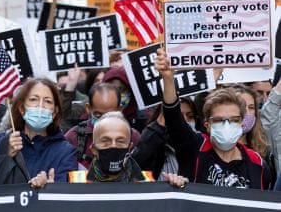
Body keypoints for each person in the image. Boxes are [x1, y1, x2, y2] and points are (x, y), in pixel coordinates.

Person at [155, 48, 271, 189]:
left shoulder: (257, 163)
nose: (227, 125)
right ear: (207, 124)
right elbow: (173, 116)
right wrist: (168, 79)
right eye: (219, 120)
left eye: (234, 120)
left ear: (241, 123)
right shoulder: (194, 147)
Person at [0, 78, 77, 188]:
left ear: (54, 112)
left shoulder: (65, 151)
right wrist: (4, 155)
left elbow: (68, 195)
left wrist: (50, 188)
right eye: (33, 99)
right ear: (22, 108)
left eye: (47, 101)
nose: (40, 106)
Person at [69, 112, 187, 187]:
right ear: (94, 149)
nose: (113, 146)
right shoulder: (76, 185)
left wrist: (175, 188)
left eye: (120, 141)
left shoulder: (147, 183)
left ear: (130, 148)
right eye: (106, 141)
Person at [65, 83, 140, 170]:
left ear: (120, 109)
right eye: (98, 115)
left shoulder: (133, 137)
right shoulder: (74, 137)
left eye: (110, 115)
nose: (105, 121)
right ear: (88, 108)